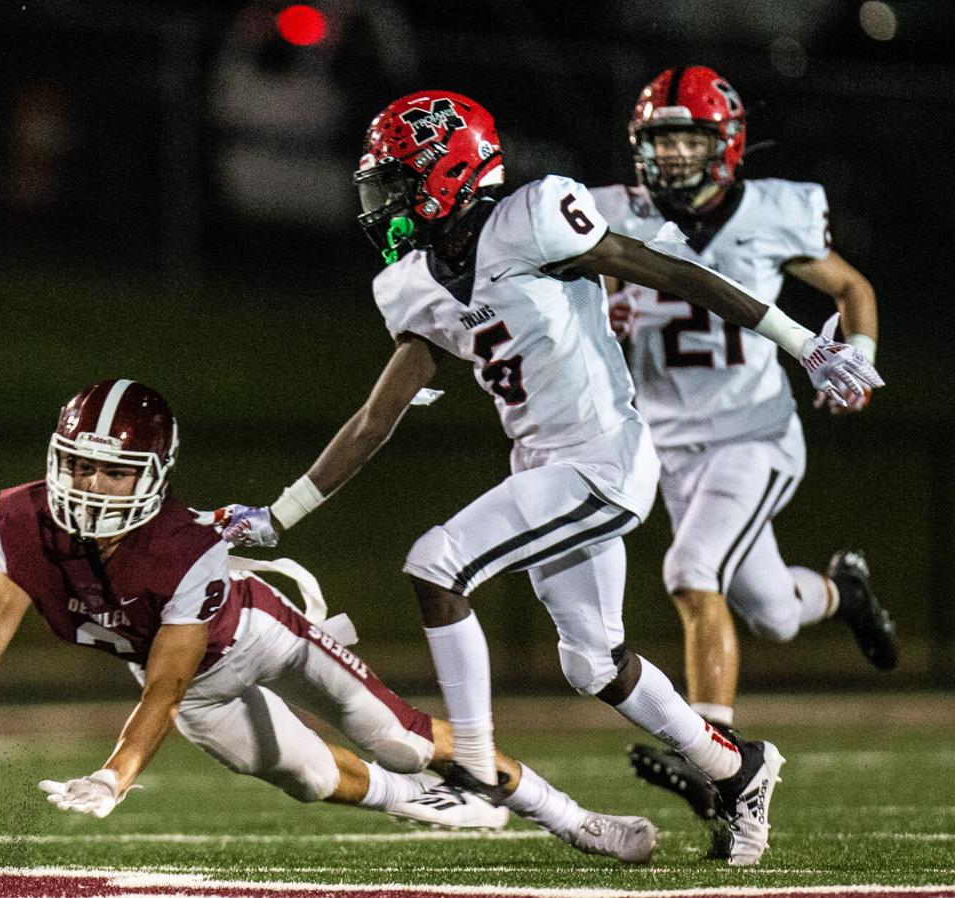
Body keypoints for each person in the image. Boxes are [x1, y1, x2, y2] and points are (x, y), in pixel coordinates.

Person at [218, 90, 884, 866]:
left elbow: (670, 271)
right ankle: (738, 769)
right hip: (543, 465)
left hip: (603, 457)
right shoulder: (411, 285)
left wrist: (804, 343)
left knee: (436, 562)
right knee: (592, 663)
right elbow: (375, 420)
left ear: (450, 172)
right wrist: (279, 516)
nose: (385, 203)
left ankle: (472, 768)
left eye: (399, 181)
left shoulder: (533, 216)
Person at [0, 378, 660, 865]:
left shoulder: (185, 550)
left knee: (400, 740)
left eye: (114, 471)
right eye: (80, 465)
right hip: (192, 684)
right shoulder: (17, 515)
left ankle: (571, 818)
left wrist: (115, 776)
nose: (91, 485)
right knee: (304, 777)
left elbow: (164, 690)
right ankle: (426, 806)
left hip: (255, 634)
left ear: (154, 475)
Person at [586, 65, 898, 831]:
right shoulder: (604, 215)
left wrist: (855, 355)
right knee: (771, 614)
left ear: (726, 143)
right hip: (669, 448)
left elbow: (852, 288)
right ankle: (841, 593)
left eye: (690, 138)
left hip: (752, 434)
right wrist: (596, 315)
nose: (675, 156)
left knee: (692, 572)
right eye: (662, 140)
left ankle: (716, 761)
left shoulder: (773, 213)